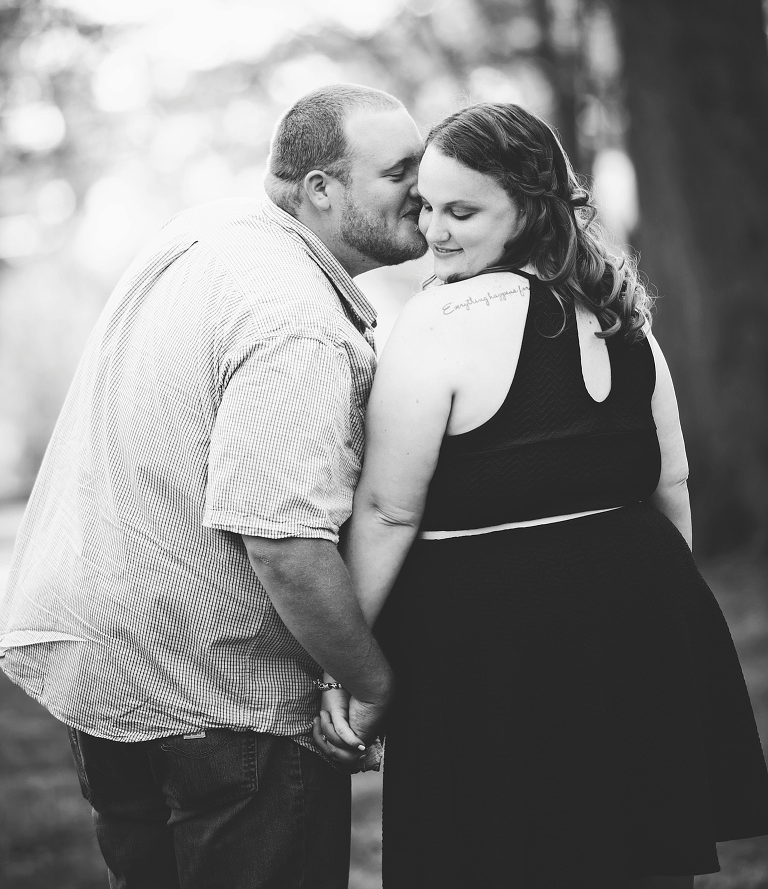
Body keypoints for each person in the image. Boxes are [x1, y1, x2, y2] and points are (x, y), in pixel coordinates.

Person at [314, 102, 768, 889]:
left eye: (463, 211)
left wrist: (346, 664)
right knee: (637, 851)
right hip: (645, 615)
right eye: (425, 207)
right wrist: (656, 622)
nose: (435, 231)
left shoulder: (437, 321)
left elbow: (389, 511)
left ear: (528, 206)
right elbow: (671, 486)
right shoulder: (625, 315)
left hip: (495, 644)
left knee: (502, 859)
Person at [0, 83, 426, 889]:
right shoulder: (294, 317)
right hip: (225, 703)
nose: (425, 186)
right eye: (400, 170)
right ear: (320, 190)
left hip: (107, 671)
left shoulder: (208, 236)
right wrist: (370, 683)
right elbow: (282, 543)